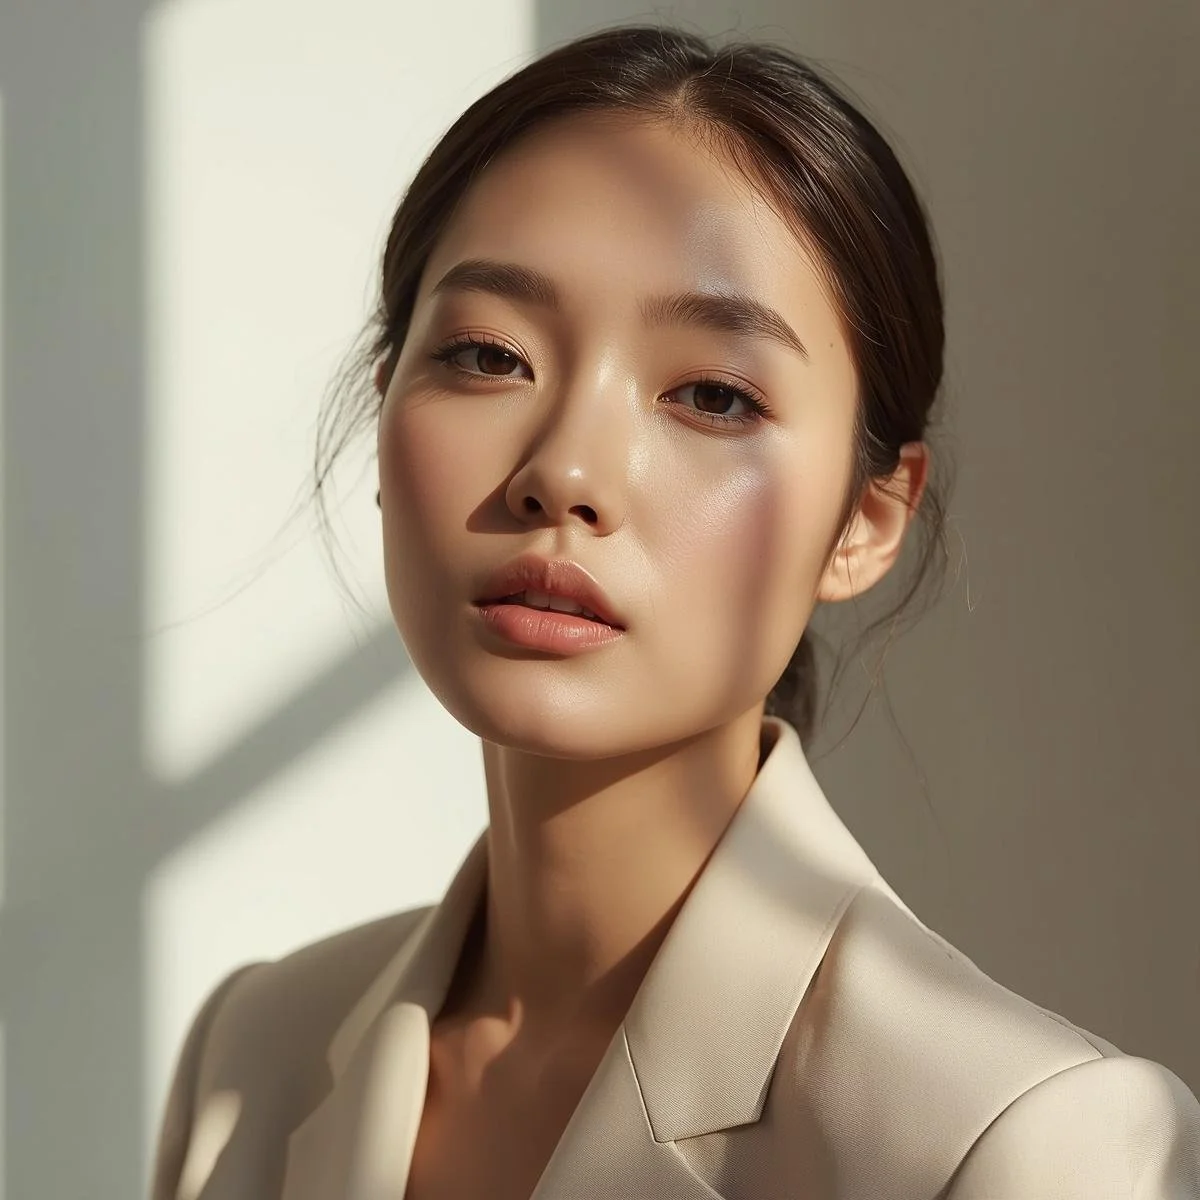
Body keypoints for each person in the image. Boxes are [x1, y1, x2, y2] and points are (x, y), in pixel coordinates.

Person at [151, 24, 1200, 1200]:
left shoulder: (1016, 1138)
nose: (565, 472)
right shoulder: (256, 1052)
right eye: (490, 356)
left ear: (865, 519)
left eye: (712, 394)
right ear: (386, 418)